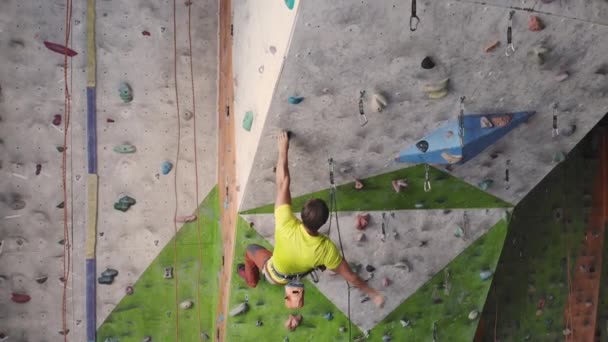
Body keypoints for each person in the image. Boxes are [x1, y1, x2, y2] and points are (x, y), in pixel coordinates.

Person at [237, 131, 385, 308]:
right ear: (323, 223)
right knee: (296, 261)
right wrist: (373, 294)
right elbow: (351, 277)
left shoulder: (286, 223)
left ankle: (251, 280)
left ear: (301, 215)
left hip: (273, 273)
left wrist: (283, 149)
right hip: (292, 275)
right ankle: (256, 276)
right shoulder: (326, 249)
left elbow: (282, 182)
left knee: (249, 251)